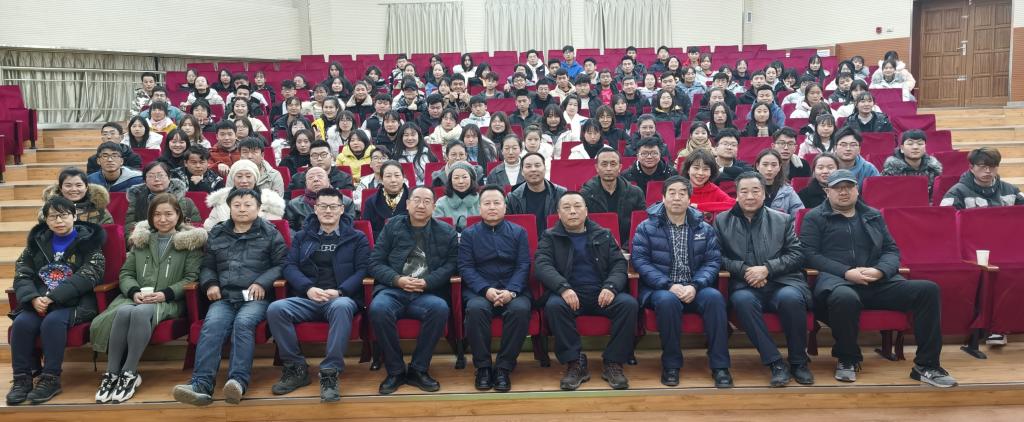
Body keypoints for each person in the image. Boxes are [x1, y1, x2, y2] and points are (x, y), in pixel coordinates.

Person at [801, 169, 957, 388]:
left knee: (928, 290)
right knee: (845, 298)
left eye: (849, 187)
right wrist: (846, 272)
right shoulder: (815, 217)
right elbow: (809, 254)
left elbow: (891, 250)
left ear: (857, 190)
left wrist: (880, 271)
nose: (844, 192)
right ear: (827, 191)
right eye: (838, 188)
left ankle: (927, 365)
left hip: (878, 282)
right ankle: (848, 358)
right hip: (838, 283)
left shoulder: (872, 215)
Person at [173, 188, 288, 406]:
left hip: (256, 297)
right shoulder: (217, 232)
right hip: (225, 297)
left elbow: (282, 264)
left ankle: (237, 382)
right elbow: (207, 266)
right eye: (237, 205)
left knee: (243, 324)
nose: (242, 209)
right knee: (212, 325)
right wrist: (210, 283)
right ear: (229, 207)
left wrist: (261, 282)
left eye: (248, 205)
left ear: (258, 208)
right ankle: (200, 385)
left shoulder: (270, 232)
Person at [91, 194, 206, 404]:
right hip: (137, 298)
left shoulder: (190, 243)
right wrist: (134, 292)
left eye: (168, 214)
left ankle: (129, 372)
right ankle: (112, 373)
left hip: (169, 300)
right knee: (124, 310)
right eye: (157, 214)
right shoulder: (141, 241)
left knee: (141, 312)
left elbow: (191, 278)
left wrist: (165, 294)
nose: (163, 219)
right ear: (151, 217)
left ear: (178, 215)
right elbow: (126, 273)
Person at [268, 188, 368, 402]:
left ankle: (330, 373)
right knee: (276, 309)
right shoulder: (303, 236)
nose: (328, 211)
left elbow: (363, 270)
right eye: (323, 206)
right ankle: (296, 368)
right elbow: (289, 266)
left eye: (333, 206)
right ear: (315, 209)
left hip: (339, 298)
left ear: (342, 209)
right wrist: (308, 288)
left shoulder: (356, 237)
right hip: (308, 298)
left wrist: (340, 291)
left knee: (341, 306)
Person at [631, 175, 732, 388]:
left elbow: (713, 261)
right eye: (672, 193)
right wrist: (669, 285)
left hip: (695, 287)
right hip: (661, 289)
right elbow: (640, 262)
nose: (677, 198)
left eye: (682, 193)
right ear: (663, 197)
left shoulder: (704, 228)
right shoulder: (646, 227)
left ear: (689, 198)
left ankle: (720, 366)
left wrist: (695, 285)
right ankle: (671, 365)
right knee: (667, 301)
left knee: (715, 298)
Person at [715, 172, 814, 386]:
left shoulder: (782, 219)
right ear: (737, 194)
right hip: (744, 284)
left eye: (755, 191)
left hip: (782, 281)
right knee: (742, 300)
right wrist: (745, 271)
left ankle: (798, 361)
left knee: (791, 298)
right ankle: (775, 362)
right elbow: (717, 257)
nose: (750, 196)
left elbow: (797, 254)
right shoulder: (722, 221)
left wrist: (767, 269)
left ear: (764, 193)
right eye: (744, 191)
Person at [6, 197, 106, 405]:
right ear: (46, 220)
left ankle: (51, 379)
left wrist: (53, 297)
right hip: (39, 301)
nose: (59, 221)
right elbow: (22, 273)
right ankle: (22, 379)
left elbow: (90, 275)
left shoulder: (89, 242)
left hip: (76, 302)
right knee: (21, 323)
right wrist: (33, 298)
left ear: (74, 216)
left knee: (52, 322)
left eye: (64, 215)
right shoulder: (36, 243)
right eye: (53, 216)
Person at [536, 192, 637, 390]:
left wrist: (610, 287)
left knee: (628, 305)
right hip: (570, 293)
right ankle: (574, 363)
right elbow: (542, 265)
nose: (572, 211)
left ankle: (613, 362)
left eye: (577, 206)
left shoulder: (603, 234)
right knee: (554, 306)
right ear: (559, 213)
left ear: (586, 211)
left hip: (601, 292)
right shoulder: (550, 236)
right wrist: (563, 288)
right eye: (566, 208)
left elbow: (619, 265)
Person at [368, 186, 458, 394]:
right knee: (379, 308)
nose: (421, 205)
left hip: (426, 292)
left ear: (434, 207)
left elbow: (451, 265)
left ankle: (419, 369)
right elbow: (375, 262)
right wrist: (397, 280)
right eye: (416, 200)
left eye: (427, 201)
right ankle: (396, 370)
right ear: (407, 204)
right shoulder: (392, 226)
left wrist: (427, 282)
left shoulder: (447, 232)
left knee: (439, 308)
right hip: (393, 290)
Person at [458, 185, 532, 392]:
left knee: (520, 309)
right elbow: (465, 267)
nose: (492, 207)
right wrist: (486, 290)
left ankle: (503, 368)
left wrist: (511, 291)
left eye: (496, 203)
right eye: (487, 203)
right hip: (480, 290)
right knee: (476, 309)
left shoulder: (519, 232)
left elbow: (523, 265)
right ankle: (482, 367)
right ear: (479, 208)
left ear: (505, 207)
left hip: (513, 289)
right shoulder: (469, 234)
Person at [125, 161, 201, 243]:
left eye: (160, 175)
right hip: (146, 244)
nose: (157, 179)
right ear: (145, 181)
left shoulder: (187, 202)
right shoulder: (137, 201)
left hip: (180, 244)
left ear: (169, 177)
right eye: (151, 176)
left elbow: (195, 228)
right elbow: (129, 228)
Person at [580, 150, 646, 245]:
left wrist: (627, 247)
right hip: (595, 246)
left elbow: (641, 224)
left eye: (613, 164)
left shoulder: (636, 193)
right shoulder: (585, 194)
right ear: (597, 168)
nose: (608, 169)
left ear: (620, 167)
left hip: (628, 246)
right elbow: (583, 226)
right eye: (604, 164)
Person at [204, 160, 286, 230]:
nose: (244, 181)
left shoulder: (270, 202)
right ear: (233, 179)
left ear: (255, 179)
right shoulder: (221, 200)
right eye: (239, 176)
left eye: (248, 176)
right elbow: (210, 227)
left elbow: (273, 228)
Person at [941, 147, 1024, 209]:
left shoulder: (1012, 191)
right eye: (982, 166)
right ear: (971, 168)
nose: (988, 171)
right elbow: (946, 221)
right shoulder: (956, 193)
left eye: (992, 166)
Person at [506, 153, 566, 237]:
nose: (533, 169)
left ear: (545, 169)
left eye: (537, 165)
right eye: (528, 166)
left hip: (554, 241)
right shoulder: (513, 198)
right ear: (522, 172)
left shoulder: (561, 194)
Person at [285, 167, 355, 232]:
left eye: (320, 176)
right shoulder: (294, 204)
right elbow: (290, 230)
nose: (315, 179)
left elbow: (348, 226)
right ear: (306, 183)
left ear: (328, 181)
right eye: (311, 177)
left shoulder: (346, 202)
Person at [881, 130, 944, 196]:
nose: (915, 147)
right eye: (910, 144)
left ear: (925, 148)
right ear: (902, 148)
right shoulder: (891, 171)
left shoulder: (933, 170)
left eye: (920, 144)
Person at [42, 167, 113, 225]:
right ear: (60, 188)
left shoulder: (99, 209)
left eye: (78, 185)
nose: (74, 189)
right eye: (68, 185)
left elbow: (108, 231)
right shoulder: (50, 209)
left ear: (86, 187)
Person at [286, 140, 355, 199]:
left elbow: (348, 203)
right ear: (310, 159)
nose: (319, 159)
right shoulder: (297, 179)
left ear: (331, 157)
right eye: (315, 155)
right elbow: (287, 201)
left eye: (323, 155)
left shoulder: (344, 178)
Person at [755, 149, 805, 217]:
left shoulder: (787, 191)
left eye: (774, 165)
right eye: (765, 165)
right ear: (757, 166)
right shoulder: (749, 189)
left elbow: (798, 215)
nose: (769, 169)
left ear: (779, 167)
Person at [684, 149, 736, 214]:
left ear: (711, 172)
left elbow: (733, 204)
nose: (700, 173)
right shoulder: (680, 187)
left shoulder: (713, 190)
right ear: (688, 170)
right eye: (696, 168)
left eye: (705, 169)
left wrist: (699, 206)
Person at [432, 162, 480, 231]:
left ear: (471, 179)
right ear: (450, 180)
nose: (460, 181)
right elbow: (436, 228)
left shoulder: (482, 200)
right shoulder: (441, 203)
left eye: (464, 177)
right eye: (456, 178)